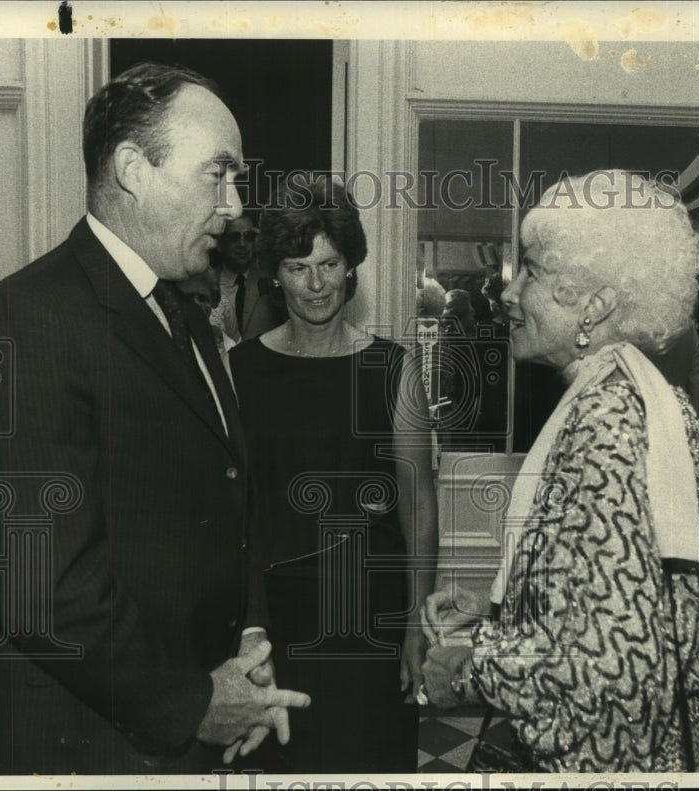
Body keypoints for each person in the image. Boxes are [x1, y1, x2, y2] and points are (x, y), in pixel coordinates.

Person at [0, 63, 309, 776]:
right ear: (131, 169)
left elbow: (229, 494)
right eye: (218, 175)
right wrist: (191, 704)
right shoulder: (27, 319)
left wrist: (247, 641)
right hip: (84, 743)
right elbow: (40, 588)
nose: (235, 206)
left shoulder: (180, 314)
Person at [420, 170, 699, 773]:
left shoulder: (607, 425)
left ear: (595, 303)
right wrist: (495, 605)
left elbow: (616, 667)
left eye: (531, 271)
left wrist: (468, 670)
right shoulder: (640, 400)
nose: (508, 292)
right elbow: (619, 599)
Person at [228, 176, 437, 772]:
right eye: (297, 267)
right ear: (274, 273)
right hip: (274, 622)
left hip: (371, 621)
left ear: (352, 266)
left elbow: (418, 511)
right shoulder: (237, 372)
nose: (316, 284)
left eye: (329, 263)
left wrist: (415, 628)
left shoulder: (394, 372)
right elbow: (232, 515)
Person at [209, 212, 280, 344]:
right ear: (220, 244)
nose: (243, 244)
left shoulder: (270, 277)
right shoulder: (207, 281)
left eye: (249, 237)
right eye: (234, 237)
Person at [180, 266, 234, 356]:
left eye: (202, 298)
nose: (195, 304)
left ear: (214, 302)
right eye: (188, 297)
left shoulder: (226, 344)